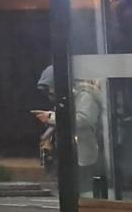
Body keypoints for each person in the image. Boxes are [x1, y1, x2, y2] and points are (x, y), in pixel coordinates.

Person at [33, 65, 105, 193]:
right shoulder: (71, 98)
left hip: (84, 155)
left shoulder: (84, 96)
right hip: (75, 154)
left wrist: (50, 117)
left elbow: (82, 120)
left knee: (83, 191)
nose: (51, 92)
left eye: (51, 88)